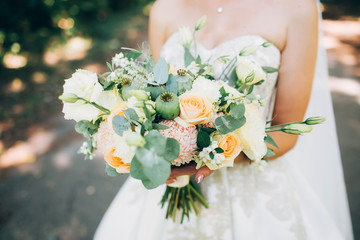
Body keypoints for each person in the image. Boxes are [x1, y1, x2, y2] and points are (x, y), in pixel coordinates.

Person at [94, 0, 353, 239]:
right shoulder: (165, 7)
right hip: (175, 185)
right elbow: (156, 92)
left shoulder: (297, 8)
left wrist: (217, 155)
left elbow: (287, 130)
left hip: (253, 192)